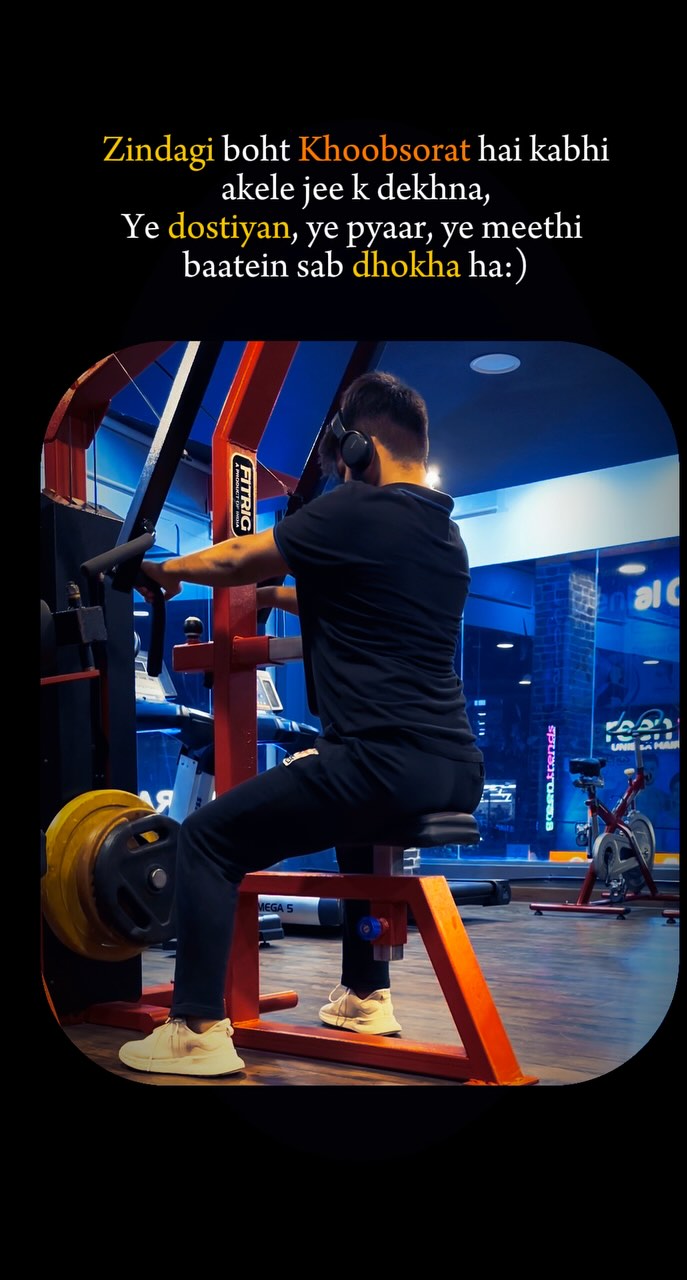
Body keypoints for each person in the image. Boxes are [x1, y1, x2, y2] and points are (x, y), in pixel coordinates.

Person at [118, 371, 485, 1077]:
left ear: (358, 447)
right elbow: (351, 591)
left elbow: (236, 556)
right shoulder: (446, 536)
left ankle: (195, 1029)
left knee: (208, 839)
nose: (340, 473)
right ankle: (365, 993)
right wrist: (275, 597)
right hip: (453, 768)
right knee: (359, 837)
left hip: (378, 763)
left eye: (341, 460)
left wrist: (171, 571)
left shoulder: (356, 507)